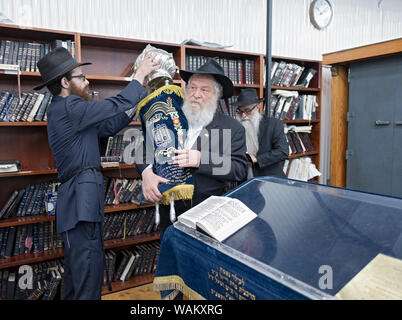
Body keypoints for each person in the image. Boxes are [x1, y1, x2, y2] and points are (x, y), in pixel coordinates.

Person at [34, 47, 159, 300]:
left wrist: (138, 103)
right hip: (81, 200)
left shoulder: (66, 111)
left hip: (77, 202)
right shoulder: (70, 106)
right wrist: (140, 76)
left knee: (78, 275)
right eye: (81, 76)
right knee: (88, 277)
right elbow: (116, 104)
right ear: (65, 82)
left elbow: (110, 124)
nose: (87, 81)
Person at [137, 58, 248, 238]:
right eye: (192, 88)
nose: (196, 94)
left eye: (204, 90)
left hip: (207, 219)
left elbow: (239, 169)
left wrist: (200, 159)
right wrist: (146, 172)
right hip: (170, 214)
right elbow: (143, 150)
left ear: (217, 95)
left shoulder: (233, 128)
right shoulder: (170, 117)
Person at [233, 88, 288, 178]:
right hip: (244, 179)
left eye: (247, 110)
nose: (243, 116)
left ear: (257, 107)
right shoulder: (235, 127)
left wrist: (256, 159)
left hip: (269, 180)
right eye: (240, 111)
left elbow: (282, 152)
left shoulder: (273, 124)